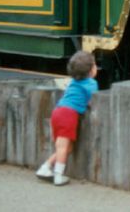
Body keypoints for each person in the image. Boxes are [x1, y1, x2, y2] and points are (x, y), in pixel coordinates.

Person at [35, 51, 98, 186]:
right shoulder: (92, 83)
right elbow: (94, 100)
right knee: (63, 147)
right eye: (95, 65)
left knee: (66, 148)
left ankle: (45, 168)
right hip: (68, 114)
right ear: (91, 70)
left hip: (58, 112)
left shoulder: (73, 82)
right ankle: (58, 175)